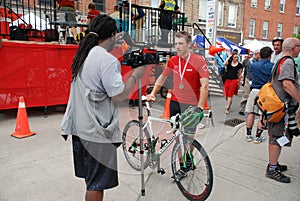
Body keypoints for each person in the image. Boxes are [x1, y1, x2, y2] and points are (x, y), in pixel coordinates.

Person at [61, 14, 145, 201]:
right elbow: (118, 96)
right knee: (96, 184)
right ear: (113, 35)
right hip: (96, 134)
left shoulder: (84, 55)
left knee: (91, 180)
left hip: (80, 130)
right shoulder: (106, 60)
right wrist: (134, 76)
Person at [147, 30, 209, 179]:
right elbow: (162, 78)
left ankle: (187, 161)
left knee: (188, 138)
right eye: (176, 44)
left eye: (181, 43)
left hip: (191, 105)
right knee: (177, 138)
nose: (178, 47)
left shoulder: (199, 61)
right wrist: (153, 93)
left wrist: (200, 108)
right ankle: (183, 166)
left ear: (189, 44)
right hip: (175, 102)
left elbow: (205, 85)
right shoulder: (173, 60)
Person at [266, 37, 300, 183]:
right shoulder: (287, 62)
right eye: (299, 46)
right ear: (293, 47)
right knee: (276, 137)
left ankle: (274, 163)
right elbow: (287, 84)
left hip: (278, 106)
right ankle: (272, 168)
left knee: (278, 136)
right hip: (281, 108)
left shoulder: (280, 60)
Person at [244, 47, 273, 143]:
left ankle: (248, 135)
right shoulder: (272, 66)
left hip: (254, 90)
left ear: (260, 54)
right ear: (270, 55)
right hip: (265, 91)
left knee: (251, 112)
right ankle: (257, 136)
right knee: (262, 115)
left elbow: (249, 77)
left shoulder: (254, 65)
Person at [238, 51, 253, 115]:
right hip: (247, 79)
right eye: (249, 54)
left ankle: (251, 109)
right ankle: (241, 109)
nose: (250, 56)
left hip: (254, 80)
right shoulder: (246, 61)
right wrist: (241, 76)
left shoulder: (257, 61)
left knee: (253, 96)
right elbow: (241, 67)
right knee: (245, 95)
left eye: (251, 54)